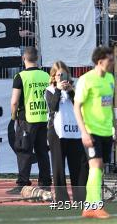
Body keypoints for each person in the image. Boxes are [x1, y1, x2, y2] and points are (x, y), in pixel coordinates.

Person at [73, 46, 115, 219]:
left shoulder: (110, 79)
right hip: (92, 131)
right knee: (96, 166)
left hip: (106, 132)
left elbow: (109, 106)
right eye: (110, 60)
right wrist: (84, 132)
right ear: (100, 61)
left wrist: (115, 129)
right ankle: (96, 206)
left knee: (98, 169)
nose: (113, 62)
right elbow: (77, 107)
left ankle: (89, 207)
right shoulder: (86, 80)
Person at [9, 46, 52, 194]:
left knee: (24, 151)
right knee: (42, 152)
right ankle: (45, 183)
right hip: (44, 118)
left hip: (26, 119)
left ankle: (23, 184)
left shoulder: (20, 76)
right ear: (37, 59)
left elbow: (14, 101)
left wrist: (14, 116)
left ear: (24, 58)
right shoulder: (46, 76)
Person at [45, 61, 87, 203]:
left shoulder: (75, 90)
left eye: (64, 74)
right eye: (58, 75)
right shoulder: (50, 90)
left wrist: (70, 91)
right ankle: (62, 199)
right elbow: (53, 106)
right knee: (59, 167)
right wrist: (58, 89)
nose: (62, 77)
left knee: (79, 166)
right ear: (53, 76)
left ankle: (80, 198)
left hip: (75, 131)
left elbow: (80, 106)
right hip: (57, 133)